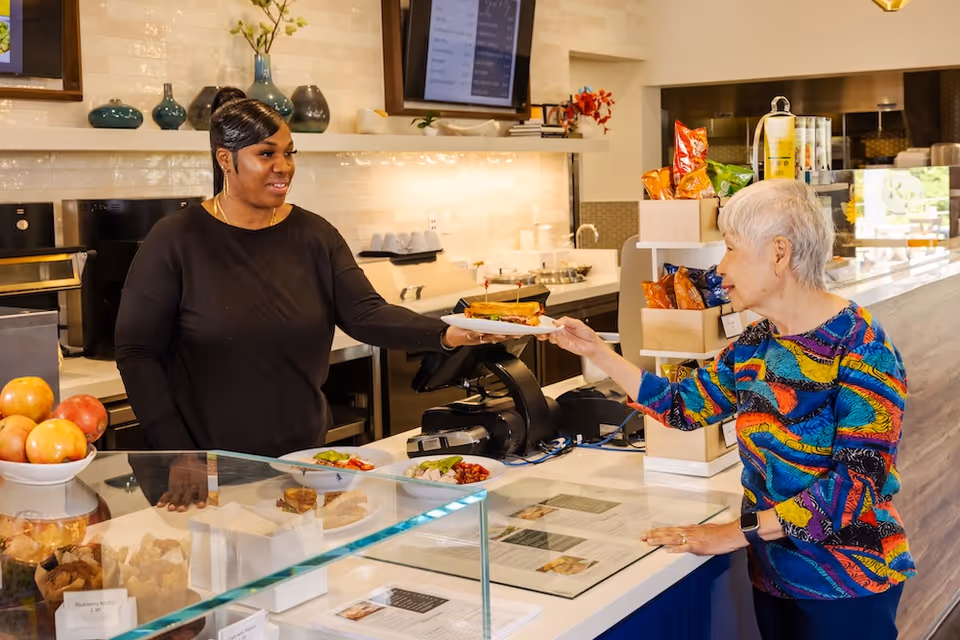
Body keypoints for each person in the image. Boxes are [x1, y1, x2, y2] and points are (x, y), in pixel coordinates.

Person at [544, 179, 915, 640]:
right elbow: (683, 405)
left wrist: (737, 532)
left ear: (779, 253)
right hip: (775, 577)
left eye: (732, 249)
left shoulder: (862, 346)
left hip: (848, 582)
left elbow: (857, 484)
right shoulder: (757, 343)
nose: (720, 268)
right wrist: (596, 350)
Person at [115, 88, 500, 506]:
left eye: (289, 153)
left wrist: (448, 333)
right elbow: (137, 352)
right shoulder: (175, 240)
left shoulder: (314, 235)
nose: (284, 167)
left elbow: (365, 313)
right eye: (266, 154)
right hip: (209, 470)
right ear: (226, 160)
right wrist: (180, 454)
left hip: (306, 463)